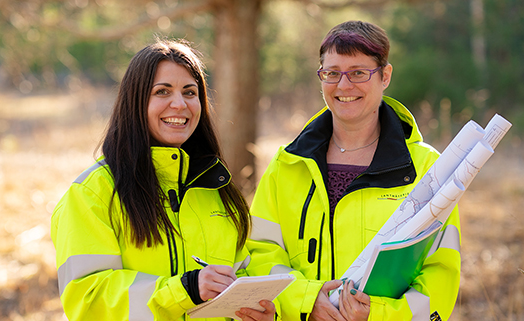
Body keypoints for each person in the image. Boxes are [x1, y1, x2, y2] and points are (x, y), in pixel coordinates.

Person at [245, 21, 461, 321]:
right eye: (332, 73)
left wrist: (378, 314)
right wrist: (307, 301)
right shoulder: (287, 164)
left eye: (358, 73)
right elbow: (260, 252)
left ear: (385, 76)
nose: (343, 86)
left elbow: (440, 271)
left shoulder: (427, 168)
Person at [51, 39, 275, 321]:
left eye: (189, 92)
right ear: (136, 101)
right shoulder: (92, 193)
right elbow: (89, 300)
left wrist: (257, 313)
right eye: (162, 91)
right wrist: (185, 290)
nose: (179, 104)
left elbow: (243, 277)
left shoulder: (217, 188)